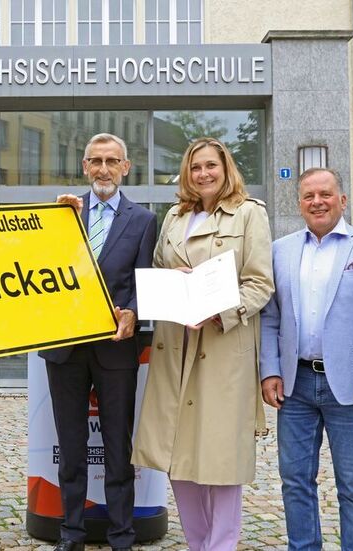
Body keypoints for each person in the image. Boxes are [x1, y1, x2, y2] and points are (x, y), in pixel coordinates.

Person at [131, 137, 273, 551]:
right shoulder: (175, 216)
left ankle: (221, 546)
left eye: (211, 165)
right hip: (175, 344)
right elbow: (158, 267)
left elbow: (260, 283)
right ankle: (198, 544)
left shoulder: (249, 214)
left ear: (226, 168)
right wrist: (174, 283)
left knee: (220, 458)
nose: (203, 174)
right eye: (195, 168)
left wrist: (223, 310)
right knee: (177, 455)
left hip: (222, 347)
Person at [259, 167, 353, 550]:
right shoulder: (281, 250)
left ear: (342, 200)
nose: (317, 201)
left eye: (325, 194)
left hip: (351, 388)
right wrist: (269, 370)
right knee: (295, 481)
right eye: (308, 196)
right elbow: (270, 317)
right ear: (299, 203)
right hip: (295, 384)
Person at [41, 133, 157, 551]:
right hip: (64, 347)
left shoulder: (143, 220)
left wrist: (133, 311)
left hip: (115, 349)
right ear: (85, 166)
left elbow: (144, 282)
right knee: (69, 448)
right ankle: (70, 534)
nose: (103, 169)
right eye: (96, 161)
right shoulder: (61, 213)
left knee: (116, 446)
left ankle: (122, 534)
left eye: (112, 161)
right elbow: (39, 273)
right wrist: (52, 225)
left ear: (126, 167)